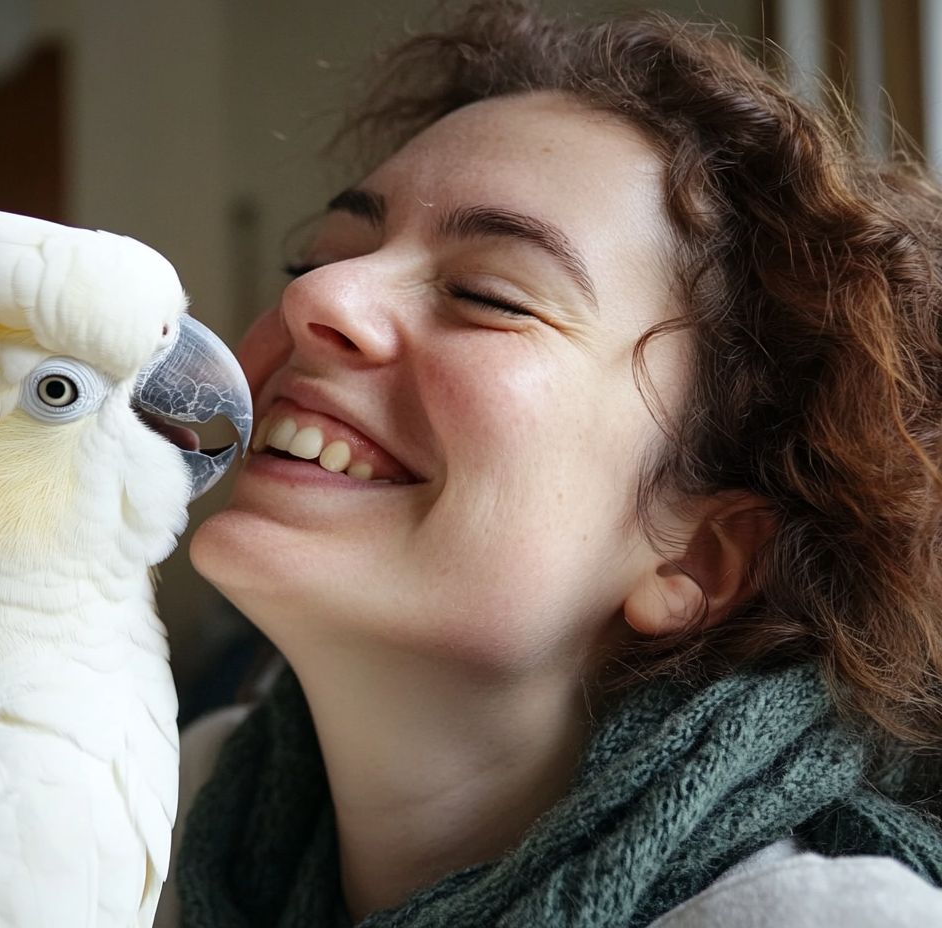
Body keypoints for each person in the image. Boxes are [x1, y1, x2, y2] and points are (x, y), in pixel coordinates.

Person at [157, 2, 942, 925]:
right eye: (316, 259)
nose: (318, 297)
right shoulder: (155, 805)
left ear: (698, 559)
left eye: (487, 294)